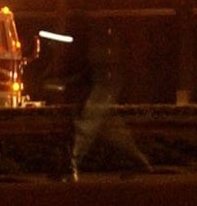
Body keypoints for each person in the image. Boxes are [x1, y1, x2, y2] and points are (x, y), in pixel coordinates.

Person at [58, 13, 153, 181]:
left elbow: (96, 62)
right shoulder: (105, 35)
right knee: (115, 132)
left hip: (103, 84)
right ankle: (140, 164)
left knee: (86, 125)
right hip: (104, 83)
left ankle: (71, 166)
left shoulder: (99, 36)